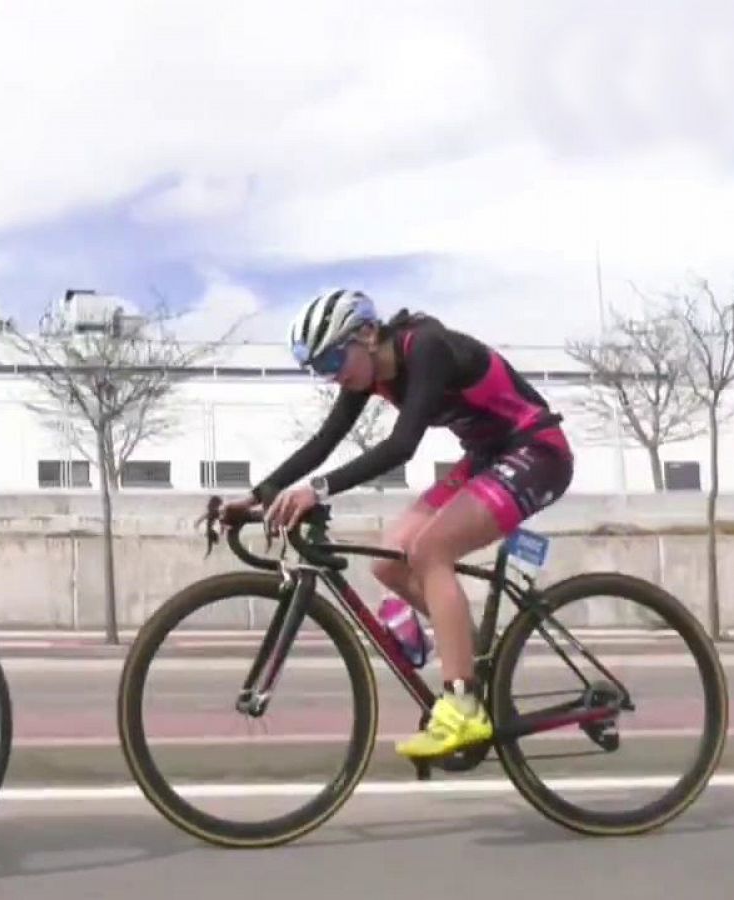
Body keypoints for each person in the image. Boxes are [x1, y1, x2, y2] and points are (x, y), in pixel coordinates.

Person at [213, 288, 574, 759]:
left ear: (366, 334)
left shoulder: (425, 347)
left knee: (431, 552)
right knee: (390, 558)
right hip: (487, 457)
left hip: (536, 451)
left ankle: (463, 704)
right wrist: (259, 494)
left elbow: (402, 446)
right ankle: (466, 651)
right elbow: (324, 441)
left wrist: (315, 490)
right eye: (321, 369)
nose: (332, 375)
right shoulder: (365, 377)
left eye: (333, 360)